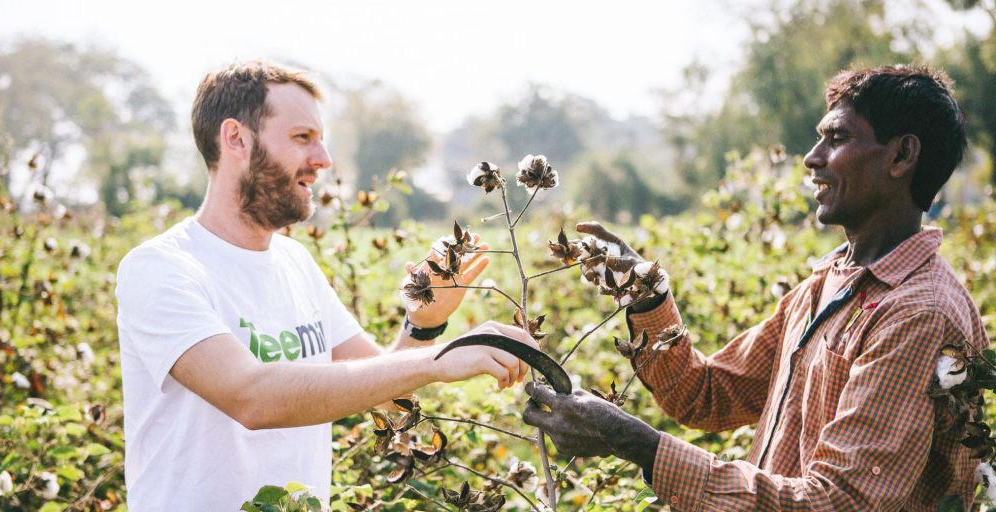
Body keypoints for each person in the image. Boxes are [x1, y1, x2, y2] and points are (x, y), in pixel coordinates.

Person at [523, 64, 988, 510]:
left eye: (838, 137)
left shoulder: (918, 314)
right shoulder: (828, 285)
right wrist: (647, 294)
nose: (812, 157)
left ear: (902, 156)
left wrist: (636, 443)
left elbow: (837, 503)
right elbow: (709, 394)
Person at [114, 61, 537, 511]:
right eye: (302, 138)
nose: (323, 160)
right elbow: (250, 397)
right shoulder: (161, 268)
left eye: (321, 140)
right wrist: (439, 359)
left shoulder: (295, 261)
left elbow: (388, 398)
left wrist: (423, 327)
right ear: (236, 138)